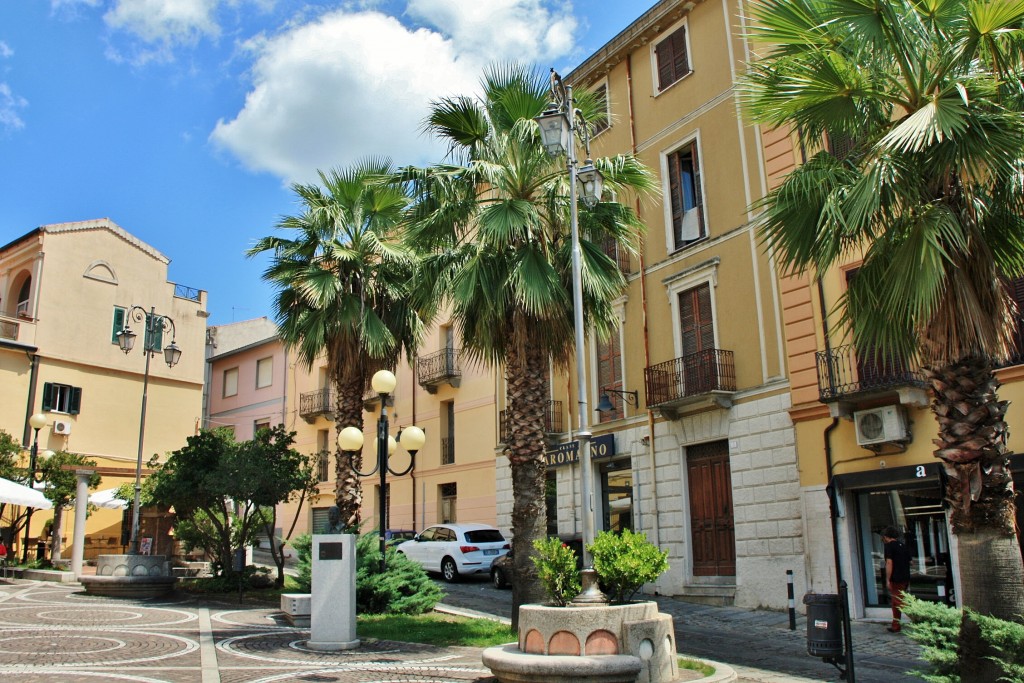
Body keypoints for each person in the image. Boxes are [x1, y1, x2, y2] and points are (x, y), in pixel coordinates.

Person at [882, 525, 912, 632]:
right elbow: (910, 561)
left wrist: (887, 579)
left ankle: (920, 619)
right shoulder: (903, 546)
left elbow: (889, 562)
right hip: (905, 576)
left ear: (886, 537)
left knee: (899, 601)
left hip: (896, 577)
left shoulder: (889, 546)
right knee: (895, 603)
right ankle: (896, 625)